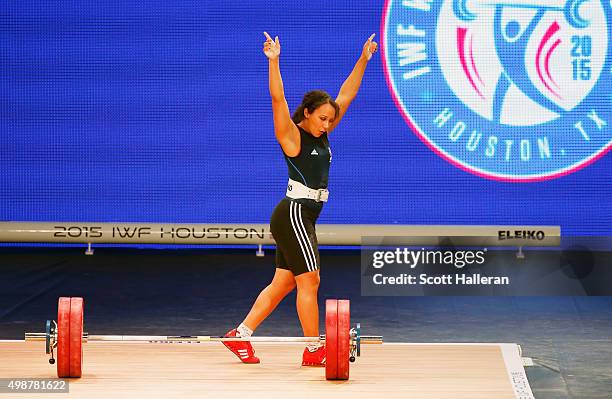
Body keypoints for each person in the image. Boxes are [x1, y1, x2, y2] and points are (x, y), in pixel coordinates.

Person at [223, 31, 377, 366]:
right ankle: (313, 348)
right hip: (293, 213)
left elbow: (345, 95)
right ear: (306, 112)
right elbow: (278, 100)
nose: (327, 124)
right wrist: (274, 62)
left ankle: (240, 335)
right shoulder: (292, 137)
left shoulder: (323, 135)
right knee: (311, 280)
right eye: (322, 118)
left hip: (302, 216)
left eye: (330, 120)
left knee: (283, 283)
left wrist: (363, 60)